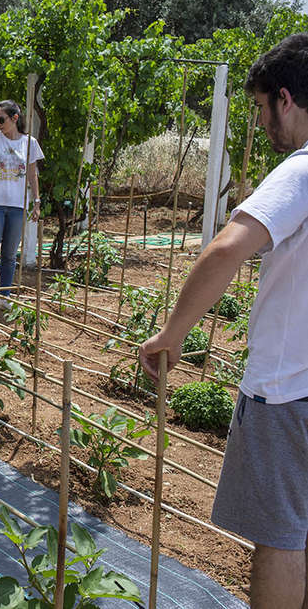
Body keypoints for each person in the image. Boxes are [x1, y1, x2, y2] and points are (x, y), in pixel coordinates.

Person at [139, 33, 308, 609]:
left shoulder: (300, 171)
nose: (261, 121)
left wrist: (172, 333)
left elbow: (225, 250)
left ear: (285, 98)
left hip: (290, 391)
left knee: (282, 535)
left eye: (261, 107)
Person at [0, 100, 44, 314]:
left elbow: (32, 175)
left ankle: (4, 296)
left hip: (17, 206)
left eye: (1, 119)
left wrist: (37, 201)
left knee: (10, 254)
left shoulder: (29, 143)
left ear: (14, 118)